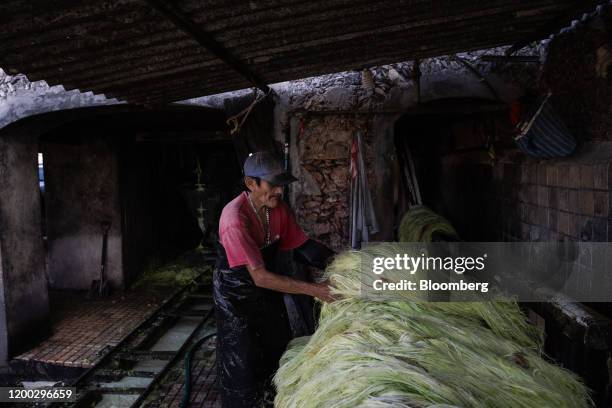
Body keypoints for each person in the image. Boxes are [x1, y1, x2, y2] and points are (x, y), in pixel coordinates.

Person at [213, 151, 335, 408]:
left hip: (267, 288)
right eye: (272, 184)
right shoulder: (234, 220)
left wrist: (343, 264)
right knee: (242, 360)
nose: (279, 191)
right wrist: (315, 290)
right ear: (250, 183)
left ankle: (275, 398)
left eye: (281, 185)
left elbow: (302, 245)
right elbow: (260, 277)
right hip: (236, 294)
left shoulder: (277, 209)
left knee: (276, 345)